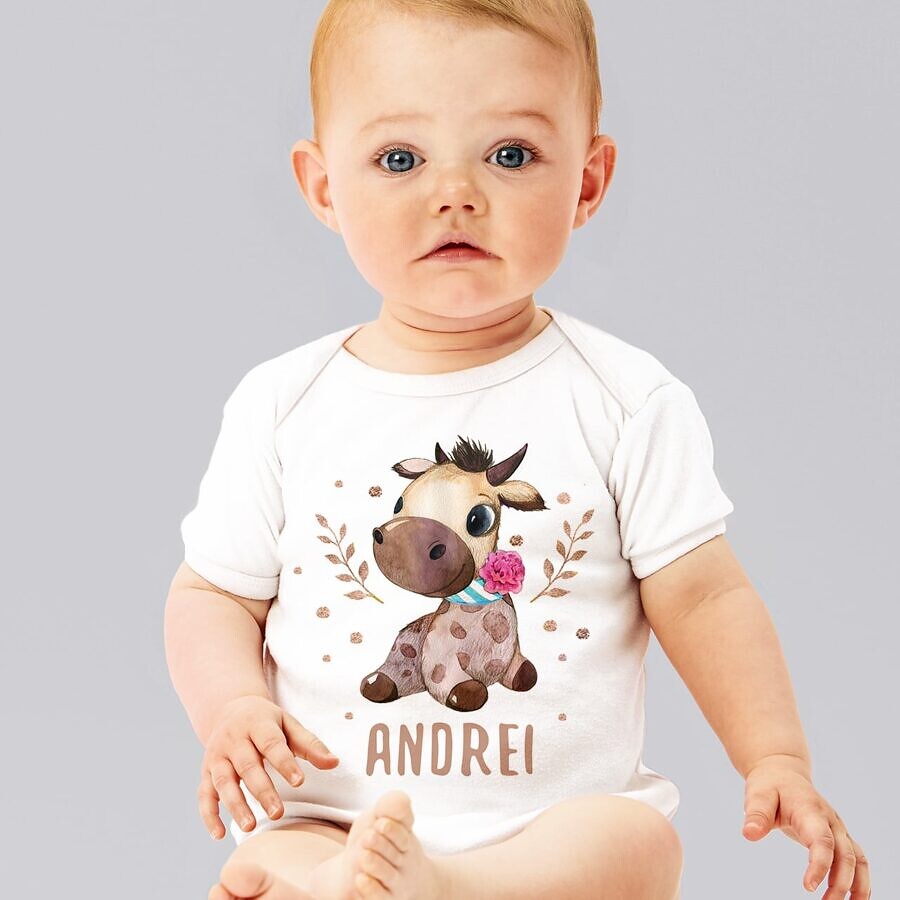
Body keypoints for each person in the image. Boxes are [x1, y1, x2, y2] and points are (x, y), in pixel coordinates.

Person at [164, 2, 871, 898]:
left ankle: (447, 889)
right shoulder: (283, 405)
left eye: (510, 154)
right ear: (324, 187)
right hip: (336, 820)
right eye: (400, 159)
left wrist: (775, 755)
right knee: (269, 857)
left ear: (587, 182)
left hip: (549, 839)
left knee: (638, 840)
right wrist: (232, 705)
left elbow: (705, 595)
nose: (455, 193)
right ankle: (346, 883)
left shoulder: (624, 401)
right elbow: (213, 594)